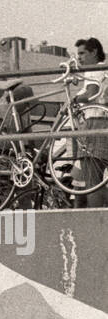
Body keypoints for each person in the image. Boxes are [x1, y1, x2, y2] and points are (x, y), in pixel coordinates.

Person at [72, 37, 108, 207]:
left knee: (92, 181)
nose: (79, 58)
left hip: (95, 123)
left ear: (94, 52)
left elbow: (91, 94)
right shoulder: (104, 70)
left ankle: (94, 223)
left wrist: (76, 98)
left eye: (82, 53)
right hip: (104, 123)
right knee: (99, 179)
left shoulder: (93, 70)